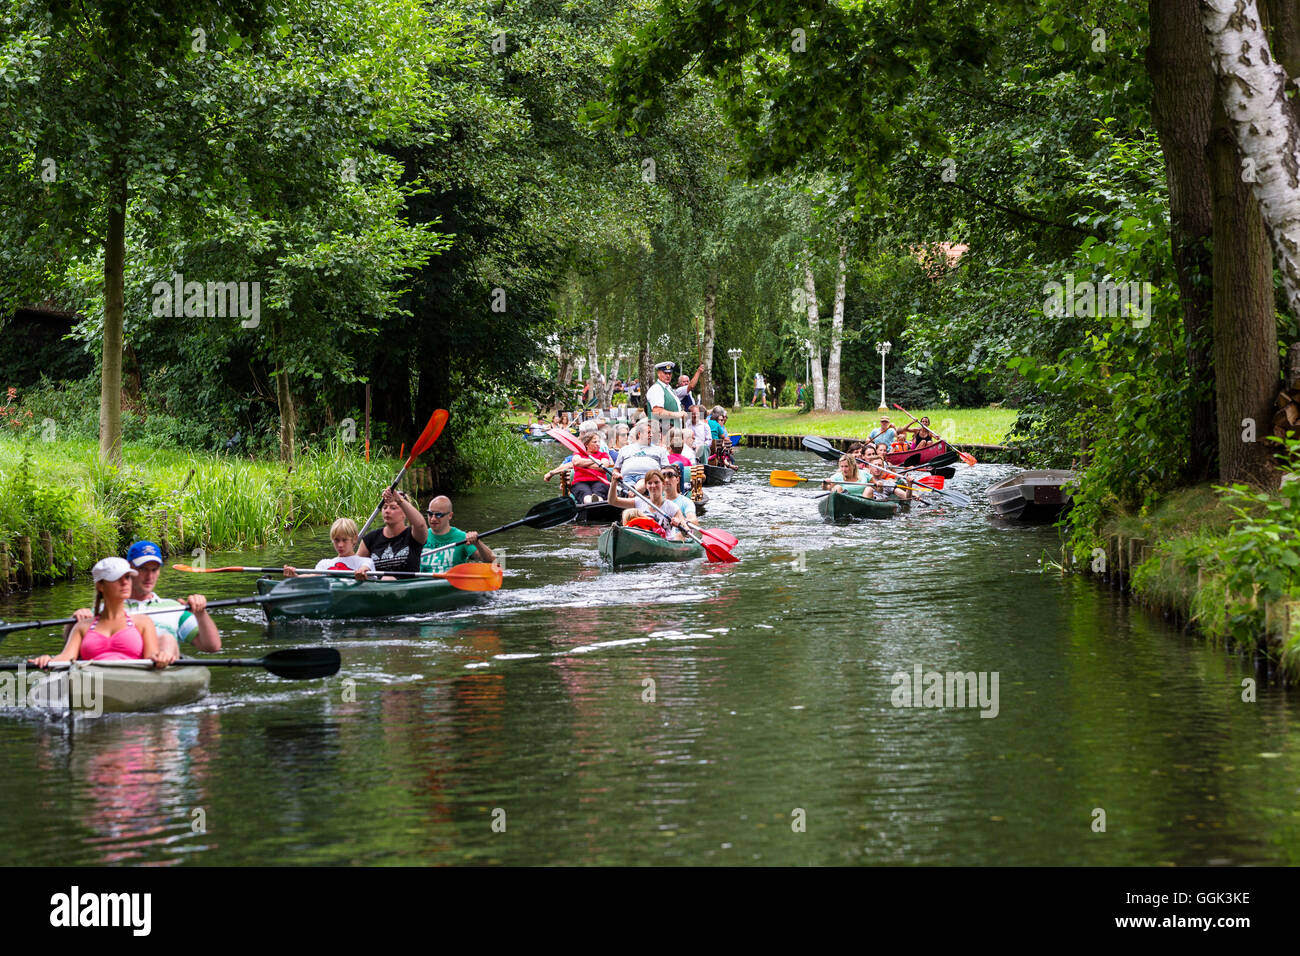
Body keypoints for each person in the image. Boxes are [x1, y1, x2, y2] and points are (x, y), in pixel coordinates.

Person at [61, 540, 221, 661]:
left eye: (154, 570)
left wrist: (201, 614)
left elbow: (212, 646)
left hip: (158, 670)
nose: (149, 576)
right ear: (129, 569)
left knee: (167, 639)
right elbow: (71, 648)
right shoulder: (104, 610)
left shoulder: (175, 608)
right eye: (143, 569)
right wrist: (72, 623)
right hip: (118, 667)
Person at [32, 557, 168, 670]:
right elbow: (65, 658)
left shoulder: (143, 622)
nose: (125, 582)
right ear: (100, 586)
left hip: (133, 682)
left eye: (127, 577)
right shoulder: (82, 627)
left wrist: (161, 657)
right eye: (117, 578)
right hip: (93, 683)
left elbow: (152, 657)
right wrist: (48, 660)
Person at [358, 487, 429, 574]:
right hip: (379, 585)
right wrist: (363, 568)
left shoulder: (413, 535)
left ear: (405, 513)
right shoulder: (371, 538)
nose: (387, 511)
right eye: (385, 507)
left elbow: (421, 525)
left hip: (406, 585)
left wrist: (399, 500)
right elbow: (355, 565)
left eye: (393, 508)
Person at [606, 467, 691, 540]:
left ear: (663, 484)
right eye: (650, 483)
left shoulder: (672, 507)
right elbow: (612, 501)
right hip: (644, 539)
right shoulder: (639, 501)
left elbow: (687, 532)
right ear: (646, 486)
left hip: (664, 542)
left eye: (656, 482)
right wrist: (614, 483)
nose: (653, 486)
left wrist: (679, 524)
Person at [420, 496, 497, 573]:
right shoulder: (419, 536)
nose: (433, 519)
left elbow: (493, 561)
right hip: (421, 582)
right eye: (430, 514)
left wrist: (477, 543)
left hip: (450, 582)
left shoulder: (462, 538)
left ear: (450, 515)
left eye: (438, 515)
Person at [283, 519, 375, 582]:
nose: (340, 545)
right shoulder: (325, 564)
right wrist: (295, 576)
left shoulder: (365, 561)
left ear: (354, 539)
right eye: (336, 540)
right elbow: (312, 577)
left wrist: (362, 572)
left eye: (344, 540)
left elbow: (365, 567)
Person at [614, 420, 671, 488]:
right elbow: (616, 469)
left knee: (642, 482)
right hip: (626, 480)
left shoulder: (660, 450)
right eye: (648, 432)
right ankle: (632, 493)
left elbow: (666, 469)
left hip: (649, 479)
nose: (651, 435)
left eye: (652, 433)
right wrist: (617, 475)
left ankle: (631, 493)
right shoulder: (625, 449)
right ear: (639, 434)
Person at [566, 430, 613, 503]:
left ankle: (597, 502)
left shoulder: (603, 454)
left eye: (598, 442)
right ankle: (590, 502)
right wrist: (597, 461)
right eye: (594, 442)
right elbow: (576, 462)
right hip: (581, 481)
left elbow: (604, 466)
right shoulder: (578, 453)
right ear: (587, 444)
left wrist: (583, 464)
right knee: (583, 492)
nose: (598, 444)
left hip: (599, 480)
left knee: (599, 490)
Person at [645, 360, 688, 431]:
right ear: (658, 373)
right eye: (665, 373)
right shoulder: (657, 388)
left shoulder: (668, 388)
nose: (668, 375)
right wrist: (677, 414)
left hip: (671, 431)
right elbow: (657, 411)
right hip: (662, 433)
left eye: (670, 373)